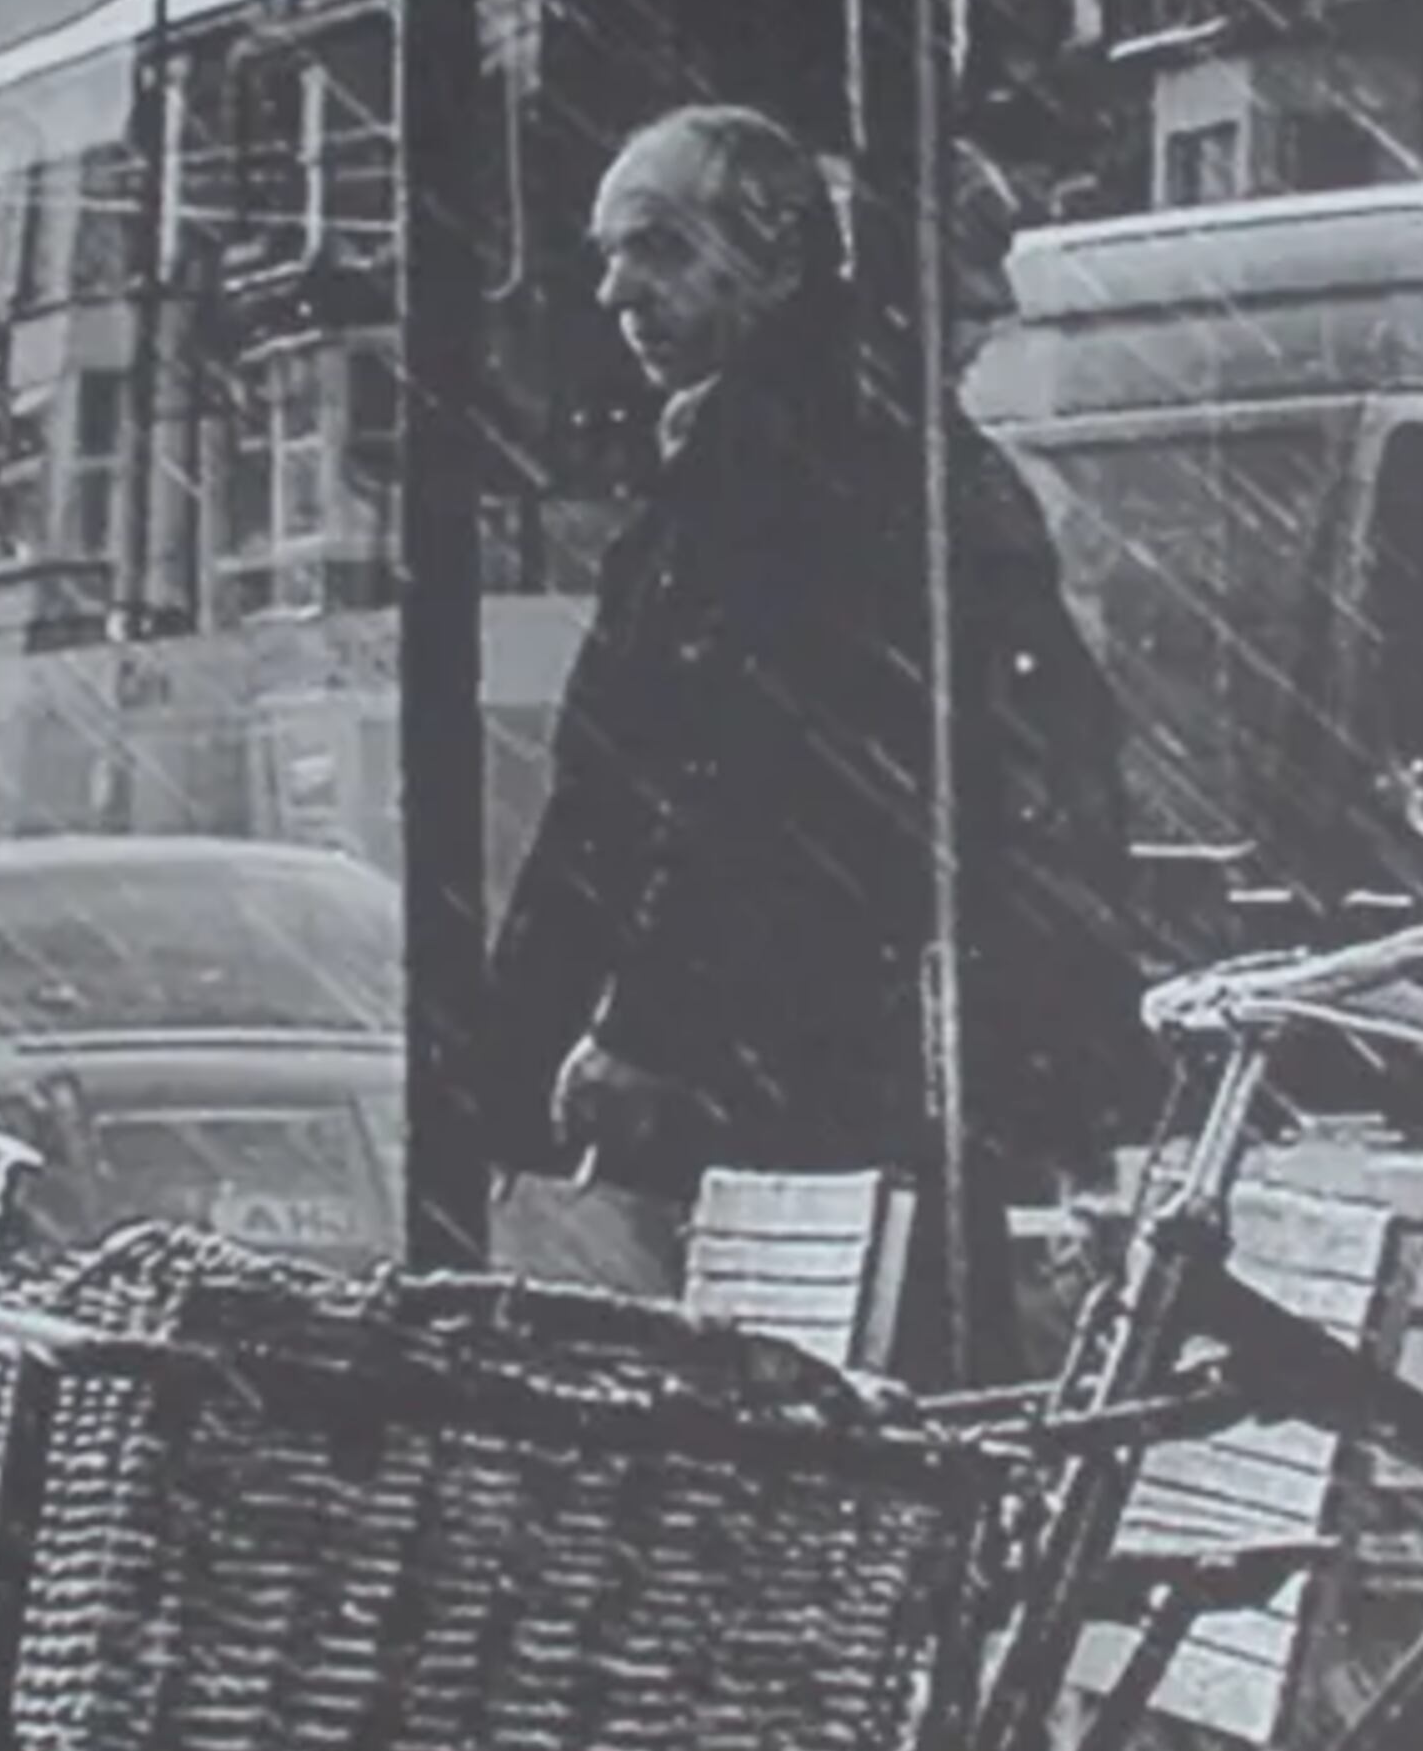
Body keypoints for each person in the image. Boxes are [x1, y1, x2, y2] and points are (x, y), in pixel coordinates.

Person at [487, 104, 1144, 1267]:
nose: (616, 294)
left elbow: (758, 779)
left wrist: (636, 1027)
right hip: (849, 1070)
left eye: (660, 248)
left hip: (799, 1083)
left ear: (779, 258)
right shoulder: (820, 454)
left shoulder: (787, 469)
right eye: (610, 255)